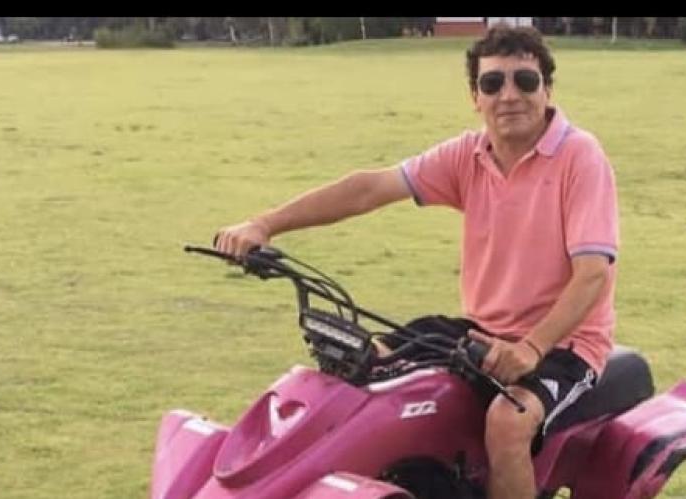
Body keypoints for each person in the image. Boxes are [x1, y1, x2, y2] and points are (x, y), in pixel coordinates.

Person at [214, 24, 619, 499]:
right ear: (476, 97)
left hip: (564, 346)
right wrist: (264, 225)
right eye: (492, 83)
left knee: (507, 423)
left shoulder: (579, 156)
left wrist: (530, 348)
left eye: (524, 81)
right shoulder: (469, 154)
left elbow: (593, 273)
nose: (509, 95)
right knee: (362, 367)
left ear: (546, 89)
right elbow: (369, 189)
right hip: (482, 328)